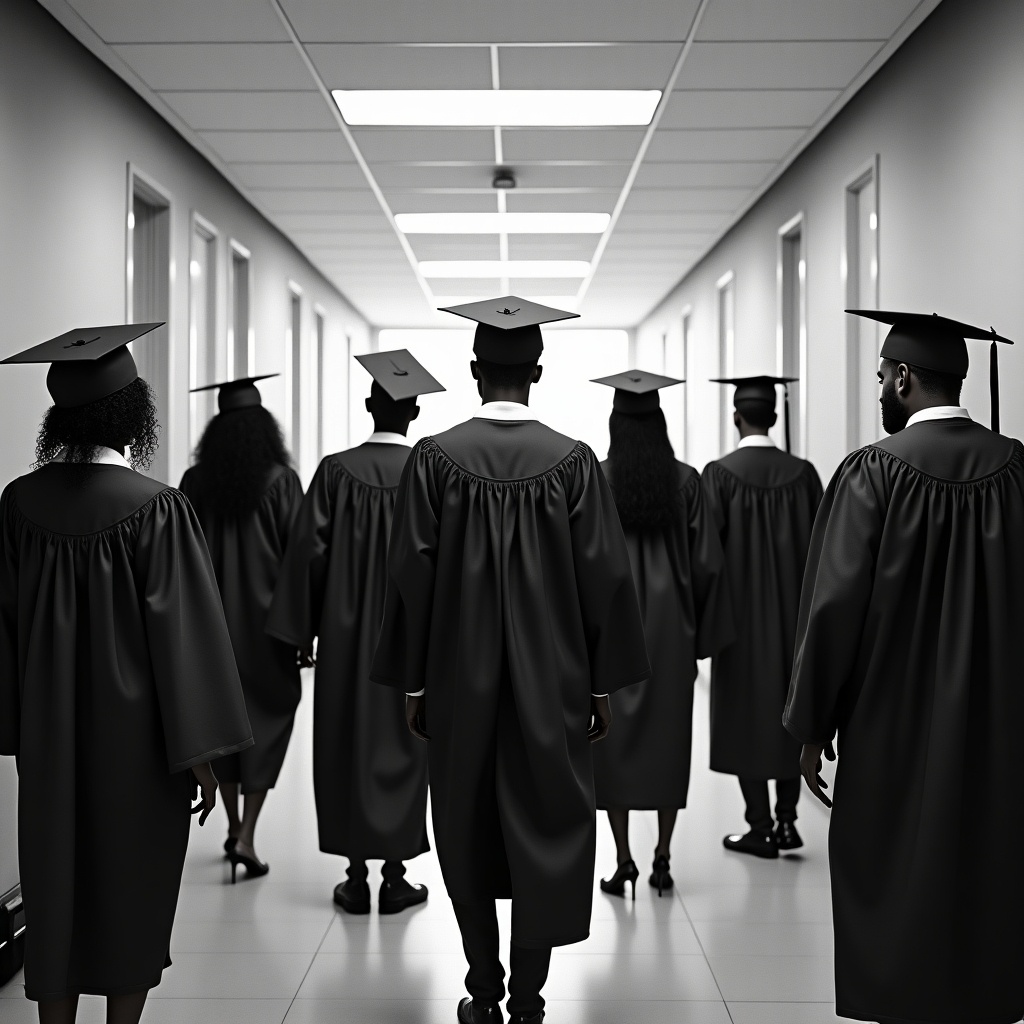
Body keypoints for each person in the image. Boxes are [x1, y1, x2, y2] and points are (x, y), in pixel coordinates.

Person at [371, 297, 650, 1024]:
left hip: (458, 687)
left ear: (472, 372)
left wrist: (417, 679)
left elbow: (411, 573)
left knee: (465, 826)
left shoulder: (433, 459)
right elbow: (605, 580)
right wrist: (597, 684)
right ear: (538, 370)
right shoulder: (575, 462)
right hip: (552, 687)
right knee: (548, 828)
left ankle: (483, 987)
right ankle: (528, 999)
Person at [0, 324, 252, 1024]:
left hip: (49, 746)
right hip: (141, 751)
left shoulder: (18, 506)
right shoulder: (156, 507)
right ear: (134, 415)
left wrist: (21, 728)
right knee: (132, 887)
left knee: (55, 884)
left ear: (62, 418)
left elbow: (6, 628)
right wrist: (202, 759)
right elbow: (185, 640)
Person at [785, 310, 1024, 1024]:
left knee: (896, 876)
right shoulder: (1018, 470)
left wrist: (810, 723)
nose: (880, 392)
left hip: (894, 727)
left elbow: (832, 611)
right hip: (1000, 729)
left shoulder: (874, 474)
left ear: (902, 377)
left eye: (883, 378)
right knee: (990, 868)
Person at [267, 350, 444, 914]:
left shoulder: (335, 472)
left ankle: (355, 875)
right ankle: (396, 875)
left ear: (370, 405)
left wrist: (301, 632)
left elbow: (306, 557)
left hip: (345, 642)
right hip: (412, 639)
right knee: (404, 745)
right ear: (414, 412)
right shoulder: (431, 472)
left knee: (346, 743)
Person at [590, 370, 732, 898]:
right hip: (672, 634)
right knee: (670, 746)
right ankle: (663, 859)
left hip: (614, 634)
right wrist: (701, 640)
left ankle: (623, 859)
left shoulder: (599, 480)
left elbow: (585, 565)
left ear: (615, 425)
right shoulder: (687, 481)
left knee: (613, 745)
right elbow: (708, 567)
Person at [179, 374, 304, 881]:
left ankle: (232, 824)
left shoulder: (194, 483)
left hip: (208, 626)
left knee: (222, 725)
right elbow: (300, 558)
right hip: (268, 628)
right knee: (267, 721)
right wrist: (304, 631)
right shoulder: (280, 481)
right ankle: (248, 832)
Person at [703, 375, 822, 858]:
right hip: (795, 625)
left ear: (736, 417)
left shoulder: (719, 474)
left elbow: (707, 558)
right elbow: (823, 551)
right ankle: (789, 822)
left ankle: (758, 826)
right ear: (774, 416)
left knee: (746, 717)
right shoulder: (805, 474)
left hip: (740, 626)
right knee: (790, 712)